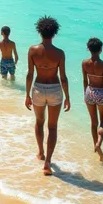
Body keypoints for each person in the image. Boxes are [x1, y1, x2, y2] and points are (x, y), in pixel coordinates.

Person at [25, 16, 70, 176]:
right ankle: (47, 162)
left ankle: (41, 152)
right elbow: (63, 77)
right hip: (55, 90)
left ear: (40, 31)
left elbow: (30, 74)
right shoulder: (59, 53)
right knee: (52, 126)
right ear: (54, 33)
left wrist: (27, 95)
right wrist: (68, 97)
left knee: (39, 122)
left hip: (37, 88)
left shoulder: (32, 50)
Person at [82, 38, 103, 162]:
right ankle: (99, 143)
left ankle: (95, 146)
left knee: (93, 122)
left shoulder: (84, 63)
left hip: (89, 91)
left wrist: (85, 94)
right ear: (101, 50)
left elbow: (85, 81)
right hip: (101, 92)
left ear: (88, 49)